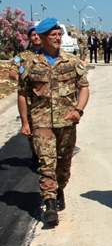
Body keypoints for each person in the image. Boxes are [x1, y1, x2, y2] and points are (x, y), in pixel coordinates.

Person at [18, 18, 90, 228]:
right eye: (53, 35)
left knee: (63, 165)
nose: (58, 38)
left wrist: (78, 110)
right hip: (41, 122)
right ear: (41, 38)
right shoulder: (30, 64)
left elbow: (84, 87)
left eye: (59, 34)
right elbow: (22, 94)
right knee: (46, 163)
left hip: (67, 121)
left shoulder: (71, 61)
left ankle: (59, 189)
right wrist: (25, 122)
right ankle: (49, 205)